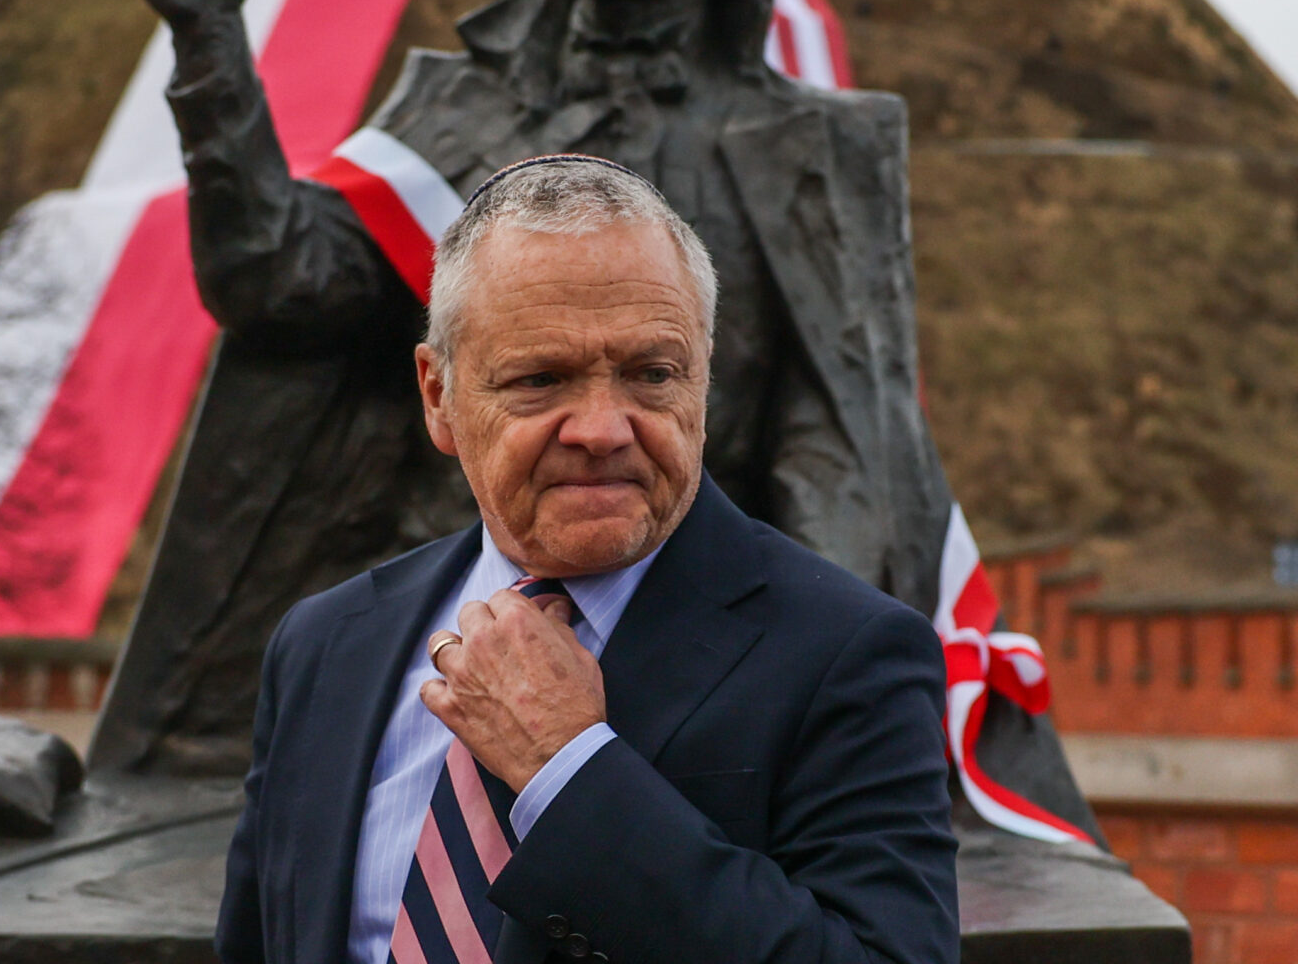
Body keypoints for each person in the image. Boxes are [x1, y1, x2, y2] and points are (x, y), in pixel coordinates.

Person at [94, 0, 1094, 852]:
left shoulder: (819, 147)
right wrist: (209, 44)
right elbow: (276, 282)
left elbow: (842, 457)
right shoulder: (455, 107)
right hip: (449, 641)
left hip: (707, 651)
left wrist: (806, 700)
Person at [214, 156, 958, 964]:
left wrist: (568, 773)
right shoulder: (327, 644)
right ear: (438, 396)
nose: (603, 428)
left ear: (703, 381)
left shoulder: (848, 654)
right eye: (541, 379)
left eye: (651, 374)